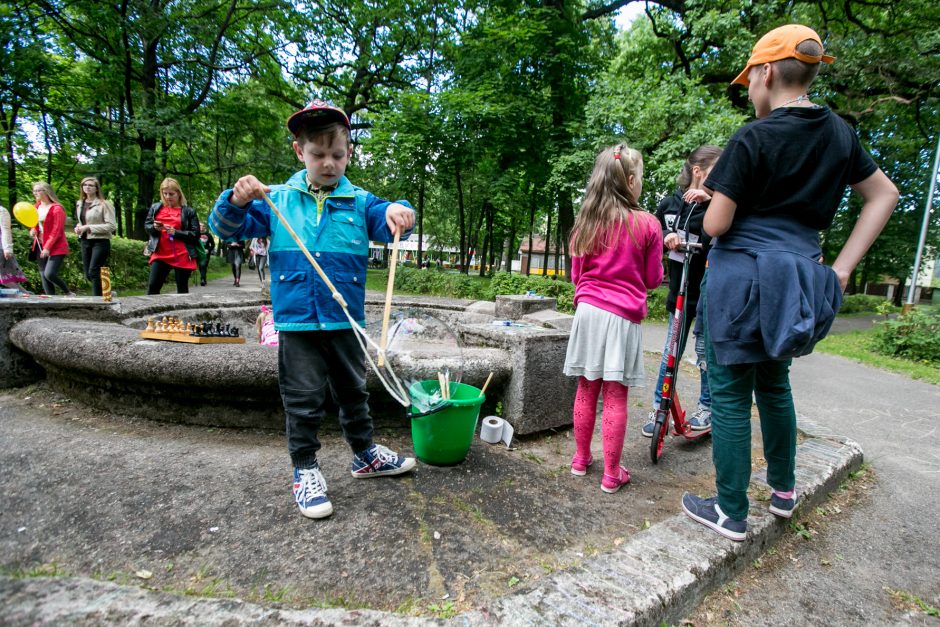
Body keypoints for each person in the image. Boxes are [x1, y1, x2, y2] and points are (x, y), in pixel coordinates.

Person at [681, 24, 899, 541]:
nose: (748, 90)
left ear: (766, 72)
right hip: (798, 276)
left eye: (748, 80)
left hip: (742, 277)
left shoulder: (753, 136)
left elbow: (716, 227)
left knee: (731, 393)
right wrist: (841, 269)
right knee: (774, 384)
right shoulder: (840, 133)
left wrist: (717, 200)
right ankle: (783, 492)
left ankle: (730, 511)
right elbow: (883, 195)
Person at [209, 99, 417, 520]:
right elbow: (224, 228)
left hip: (345, 320)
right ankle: (305, 469)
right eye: (317, 154)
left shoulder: (360, 203)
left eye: (337, 154)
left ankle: (364, 455)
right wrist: (235, 199)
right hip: (297, 320)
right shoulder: (276, 200)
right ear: (298, 151)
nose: (328, 163)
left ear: (349, 153)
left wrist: (399, 211)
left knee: (353, 393)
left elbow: (387, 219)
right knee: (302, 399)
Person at [562, 143, 664, 494]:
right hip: (621, 317)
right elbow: (652, 279)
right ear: (631, 180)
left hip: (588, 313)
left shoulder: (584, 223)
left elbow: (577, 276)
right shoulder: (648, 224)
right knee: (616, 395)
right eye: (642, 180)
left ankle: (579, 459)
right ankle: (611, 474)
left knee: (586, 387)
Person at [642, 146, 722, 437]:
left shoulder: (718, 205)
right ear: (698, 172)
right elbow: (652, 234)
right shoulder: (668, 205)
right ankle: (659, 408)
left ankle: (707, 408)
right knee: (670, 353)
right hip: (679, 294)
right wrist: (667, 236)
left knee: (704, 354)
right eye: (716, 171)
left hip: (708, 297)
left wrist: (712, 198)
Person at [144, 177, 200, 295]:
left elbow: (195, 234)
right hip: (160, 253)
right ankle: (153, 312)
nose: (168, 197)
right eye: (165, 193)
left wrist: (176, 232)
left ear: (179, 193)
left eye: (171, 194)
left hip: (182, 254)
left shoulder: (189, 211)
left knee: (182, 289)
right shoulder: (155, 208)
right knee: (152, 287)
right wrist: (155, 228)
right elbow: (147, 226)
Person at [74, 176, 116, 296]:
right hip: (85, 240)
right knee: (89, 274)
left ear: (97, 189)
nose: (87, 187)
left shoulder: (105, 204)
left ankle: (98, 302)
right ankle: (107, 293)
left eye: (90, 185)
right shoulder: (80, 203)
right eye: (84, 185)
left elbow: (111, 226)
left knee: (94, 271)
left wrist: (88, 228)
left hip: (101, 241)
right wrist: (79, 227)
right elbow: (82, 221)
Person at [31, 181, 71, 295]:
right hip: (39, 243)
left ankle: (68, 292)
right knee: (43, 274)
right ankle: (50, 300)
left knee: (49, 274)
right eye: (34, 191)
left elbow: (57, 231)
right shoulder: (36, 207)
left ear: (47, 191)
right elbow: (34, 224)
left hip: (56, 245)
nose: (35, 193)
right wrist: (33, 230)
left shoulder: (57, 208)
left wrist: (47, 247)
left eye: (38, 190)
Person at [0, 205, 29, 290]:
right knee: (4, 277)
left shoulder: (1, 211)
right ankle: (23, 293)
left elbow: (5, 230)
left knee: (5, 277)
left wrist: (7, 248)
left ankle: (24, 293)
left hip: (1, 247)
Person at [197, 222, 215, 286]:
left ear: (204, 227)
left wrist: (208, 250)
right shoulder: (195, 234)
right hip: (198, 252)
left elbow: (213, 245)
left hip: (206, 253)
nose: (201, 227)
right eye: (200, 226)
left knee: (203, 265)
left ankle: (202, 279)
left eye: (203, 226)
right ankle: (203, 278)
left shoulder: (208, 235)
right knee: (201, 266)